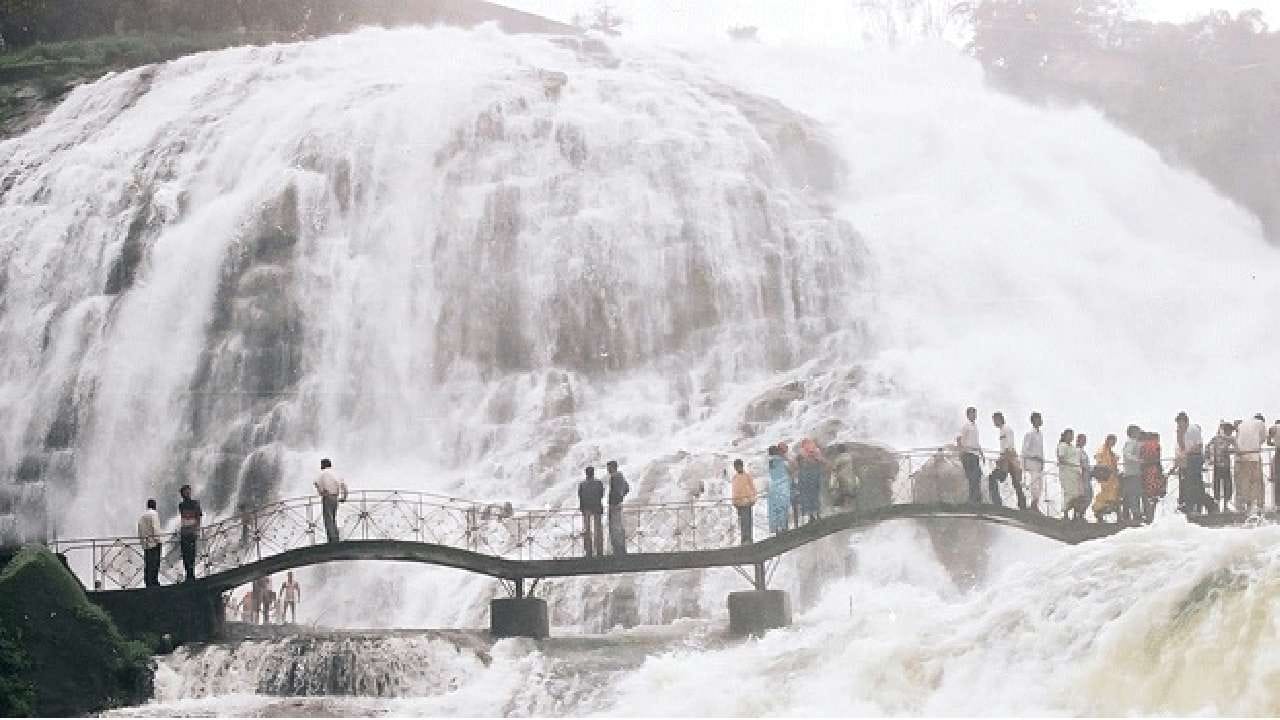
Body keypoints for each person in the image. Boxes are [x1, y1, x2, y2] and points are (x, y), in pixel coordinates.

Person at [1174, 412, 1210, 515]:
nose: (1179, 425)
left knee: (1195, 483)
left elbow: (1199, 445)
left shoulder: (1193, 429)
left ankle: (1198, 506)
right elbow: (1181, 447)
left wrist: (1188, 452)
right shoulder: (1181, 432)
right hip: (1187, 459)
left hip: (1195, 457)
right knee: (1188, 484)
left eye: (1181, 423)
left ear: (1186, 421)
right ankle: (1189, 507)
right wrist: (1179, 435)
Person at [989, 412, 1026, 509]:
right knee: (1014, 482)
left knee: (1013, 482)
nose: (994, 422)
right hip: (1005, 459)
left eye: (995, 420)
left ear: (999, 419)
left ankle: (998, 502)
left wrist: (1002, 458)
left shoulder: (1007, 429)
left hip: (1009, 459)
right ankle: (1021, 504)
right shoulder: (1001, 431)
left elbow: (1009, 446)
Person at [1236, 414, 1267, 514]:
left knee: (1245, 481)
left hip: (1242, 455)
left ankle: (1247, 505)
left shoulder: (1242, 424)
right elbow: (1263, 438)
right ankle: (1259, 505)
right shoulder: (1260, 423)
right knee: (1257, 481)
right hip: (1254, 455)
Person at [315, 458, 347, 544]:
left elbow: (316, 483)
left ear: (323, 465)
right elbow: (344, 485)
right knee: (333, 518)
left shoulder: (322, 473)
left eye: (321, 465)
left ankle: (332, 540)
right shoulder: (336, 473)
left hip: (328, 496)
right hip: (335, 497)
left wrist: (321, 492)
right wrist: (344, 497)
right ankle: (336, 537)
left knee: (328, 519)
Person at [1057, 429, 1087, 521]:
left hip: (1076, 472)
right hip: (1067, 472)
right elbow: (1061, 458)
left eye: (1072, 435)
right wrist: (1070, 464)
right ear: (1065, 436)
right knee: (1068, 493)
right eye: (1069, 435)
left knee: (1077, 494)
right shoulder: (1062, 445)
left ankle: (1075, 515)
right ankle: (1065, 514)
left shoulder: (1073, 448)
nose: (1071, 437)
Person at [956, 407, 983, 503]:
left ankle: (976, 498)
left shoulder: (975, 426)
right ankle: (973, 499)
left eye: (975, 414)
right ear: (968, 415)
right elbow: (959, 438)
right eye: (972, 414)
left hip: (975, 453)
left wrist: (981, 454)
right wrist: (961, 452)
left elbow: (976, 442)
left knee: (977, 476)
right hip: (968, 453)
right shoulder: (965, 426)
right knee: (972, 476)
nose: (974, 415)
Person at [1092, 434, 1122, 522]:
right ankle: (1098, 512)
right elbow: (1099, 460)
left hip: (1113, 479)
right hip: (1106, 478)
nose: (1113, 443)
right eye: (1112, 441)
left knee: (1115, 496)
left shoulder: (1110, 452)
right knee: (1106, 497)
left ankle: (1117, 517)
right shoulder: (1102, 450)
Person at [1207, 422, 1236, 511]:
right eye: (1231, 431)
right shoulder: (1229, 438)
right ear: (1228, 430)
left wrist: (1209, 459)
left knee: (1217, 485)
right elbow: (1237, 446)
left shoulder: (1215, 438)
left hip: (1216, 465)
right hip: (1225, 465)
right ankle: (1225, 505)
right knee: (1227, 485)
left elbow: (1207, 448)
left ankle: (1217, 505)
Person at [578, 466, 605, 557]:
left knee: (587, 530)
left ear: (586, 473)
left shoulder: (582, 484)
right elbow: (602, 494)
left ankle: (588, 551)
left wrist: (582, 508)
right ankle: (599, 550)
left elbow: (580, 496)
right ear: (593, 473)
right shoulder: (598, 483)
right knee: (598, 530)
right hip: (597, 507)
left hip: (586, 509)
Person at [1022, 412, 1046, 513]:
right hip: (1032, 462)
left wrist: (1042, 461)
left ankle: (1035, 504)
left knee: (1040, 485)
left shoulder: (1040, 434)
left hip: (1039, 463)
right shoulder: (1029, 434)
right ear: (1034, 420)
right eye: (1039, 419)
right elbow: (1024, 450)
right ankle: (1033, 504)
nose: (1040, 421)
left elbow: (1041, 449)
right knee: (1035, 484)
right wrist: (1034, 456)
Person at [766, 445, 793, 535]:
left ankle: (777, 529)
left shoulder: (769, 463)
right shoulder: (782, 461)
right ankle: (784, 527)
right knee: (783, 508)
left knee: (774, 510)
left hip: (773, 488)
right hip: (783, 487)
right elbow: (791, 469)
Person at [178, 485, 202, 582]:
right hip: (184, 532)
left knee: (191, 554)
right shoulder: (181, 505)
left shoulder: (195, 503)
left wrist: (197, 530)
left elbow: (199, 517)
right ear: (182, 494)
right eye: (185, 492)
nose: (187, 494)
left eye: (188, 492)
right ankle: (188, 575)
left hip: (191, 532)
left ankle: (191, 576)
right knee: (185, 554)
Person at [1120, 425, 1144, 525]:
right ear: (1133, 432)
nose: (1139, 433)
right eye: (1138, 432)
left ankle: (1130, 514)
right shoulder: (1130, 442)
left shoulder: (1136, 443)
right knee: (1134, 494)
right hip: (1131, 473)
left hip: (1134, 472)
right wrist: (1138, 460)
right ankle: (1135, 514)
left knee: (1133, 494)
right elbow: (1127, 454)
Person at [1140, 431, 1165, 523]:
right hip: (1154, 469)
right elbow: (1157, 459)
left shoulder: (1143, 446)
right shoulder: (1156, 445)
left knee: (1147, 493)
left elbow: (1142, 458)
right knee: (1154, 493)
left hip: (1145, 470)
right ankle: (1152, 515)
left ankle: (1147, 514)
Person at [137, 498, 163, 588]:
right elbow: (155, 527)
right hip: (154, 543)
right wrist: (158, 540)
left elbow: (139, 528)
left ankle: (148, 581)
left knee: (148, 563)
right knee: (155, 563)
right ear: (154, 505)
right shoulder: (154, 514)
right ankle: (154, 582)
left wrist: (142, 542)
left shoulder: (142, 516)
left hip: (146, 543)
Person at [730, 459, 757, 544]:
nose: (737, 468)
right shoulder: (734, 478)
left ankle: (748, 538)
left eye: (739, 466)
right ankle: (744, 539)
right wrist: (734, 502)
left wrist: (752, 499)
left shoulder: (747, 476)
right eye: (736, 467)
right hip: (739, 503)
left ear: (742, 466)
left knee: (747, 521)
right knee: (742, 522)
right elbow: (734, 490)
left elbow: (752, 488)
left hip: (747, 502)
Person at [606, 460, 629, 555]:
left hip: (614, 505)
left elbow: (614, 491)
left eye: (608, 467)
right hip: (619, 504)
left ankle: (617, 549)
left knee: (614, 527)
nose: (607, 470)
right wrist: (621, 497)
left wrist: (613, 501)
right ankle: (621, 548)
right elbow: (627, 488)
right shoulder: (621, 476)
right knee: (619, 526)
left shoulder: (614, 477)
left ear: (613, 467)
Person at [1076, 433, 1093, 514]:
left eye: (1085, 440)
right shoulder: (1077, 451)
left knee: (1089, 495)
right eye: (1082, 440)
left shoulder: (1083, 452)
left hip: (1086, 476)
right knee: (1082, 496)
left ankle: (1082, 513)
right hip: (1081, 476)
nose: (1084, 442)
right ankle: (1078, 514)